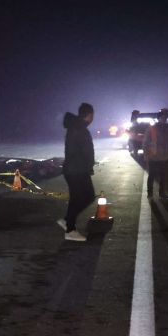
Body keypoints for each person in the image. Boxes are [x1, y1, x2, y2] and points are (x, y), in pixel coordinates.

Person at [60, 102, 95, 242]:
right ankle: (70, 229)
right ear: (89, 115)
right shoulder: (81, 129)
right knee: (88, 197)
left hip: (72, 169)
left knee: (76, 198)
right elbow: (86, 151)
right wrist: (89, 165)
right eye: (93, 115)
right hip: (77, 170)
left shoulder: (74, 126)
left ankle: (68, 221)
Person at [141, 108, 168, 198]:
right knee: (152, 175)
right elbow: (145, 143)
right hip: (153, 157)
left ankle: (162, 193)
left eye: (166, 117)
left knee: (163, 176)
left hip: (165, 157)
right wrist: (146, 155)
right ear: (159, 117)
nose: (165, 118)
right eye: (163, 116)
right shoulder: (152, 128)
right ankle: (150, 193)